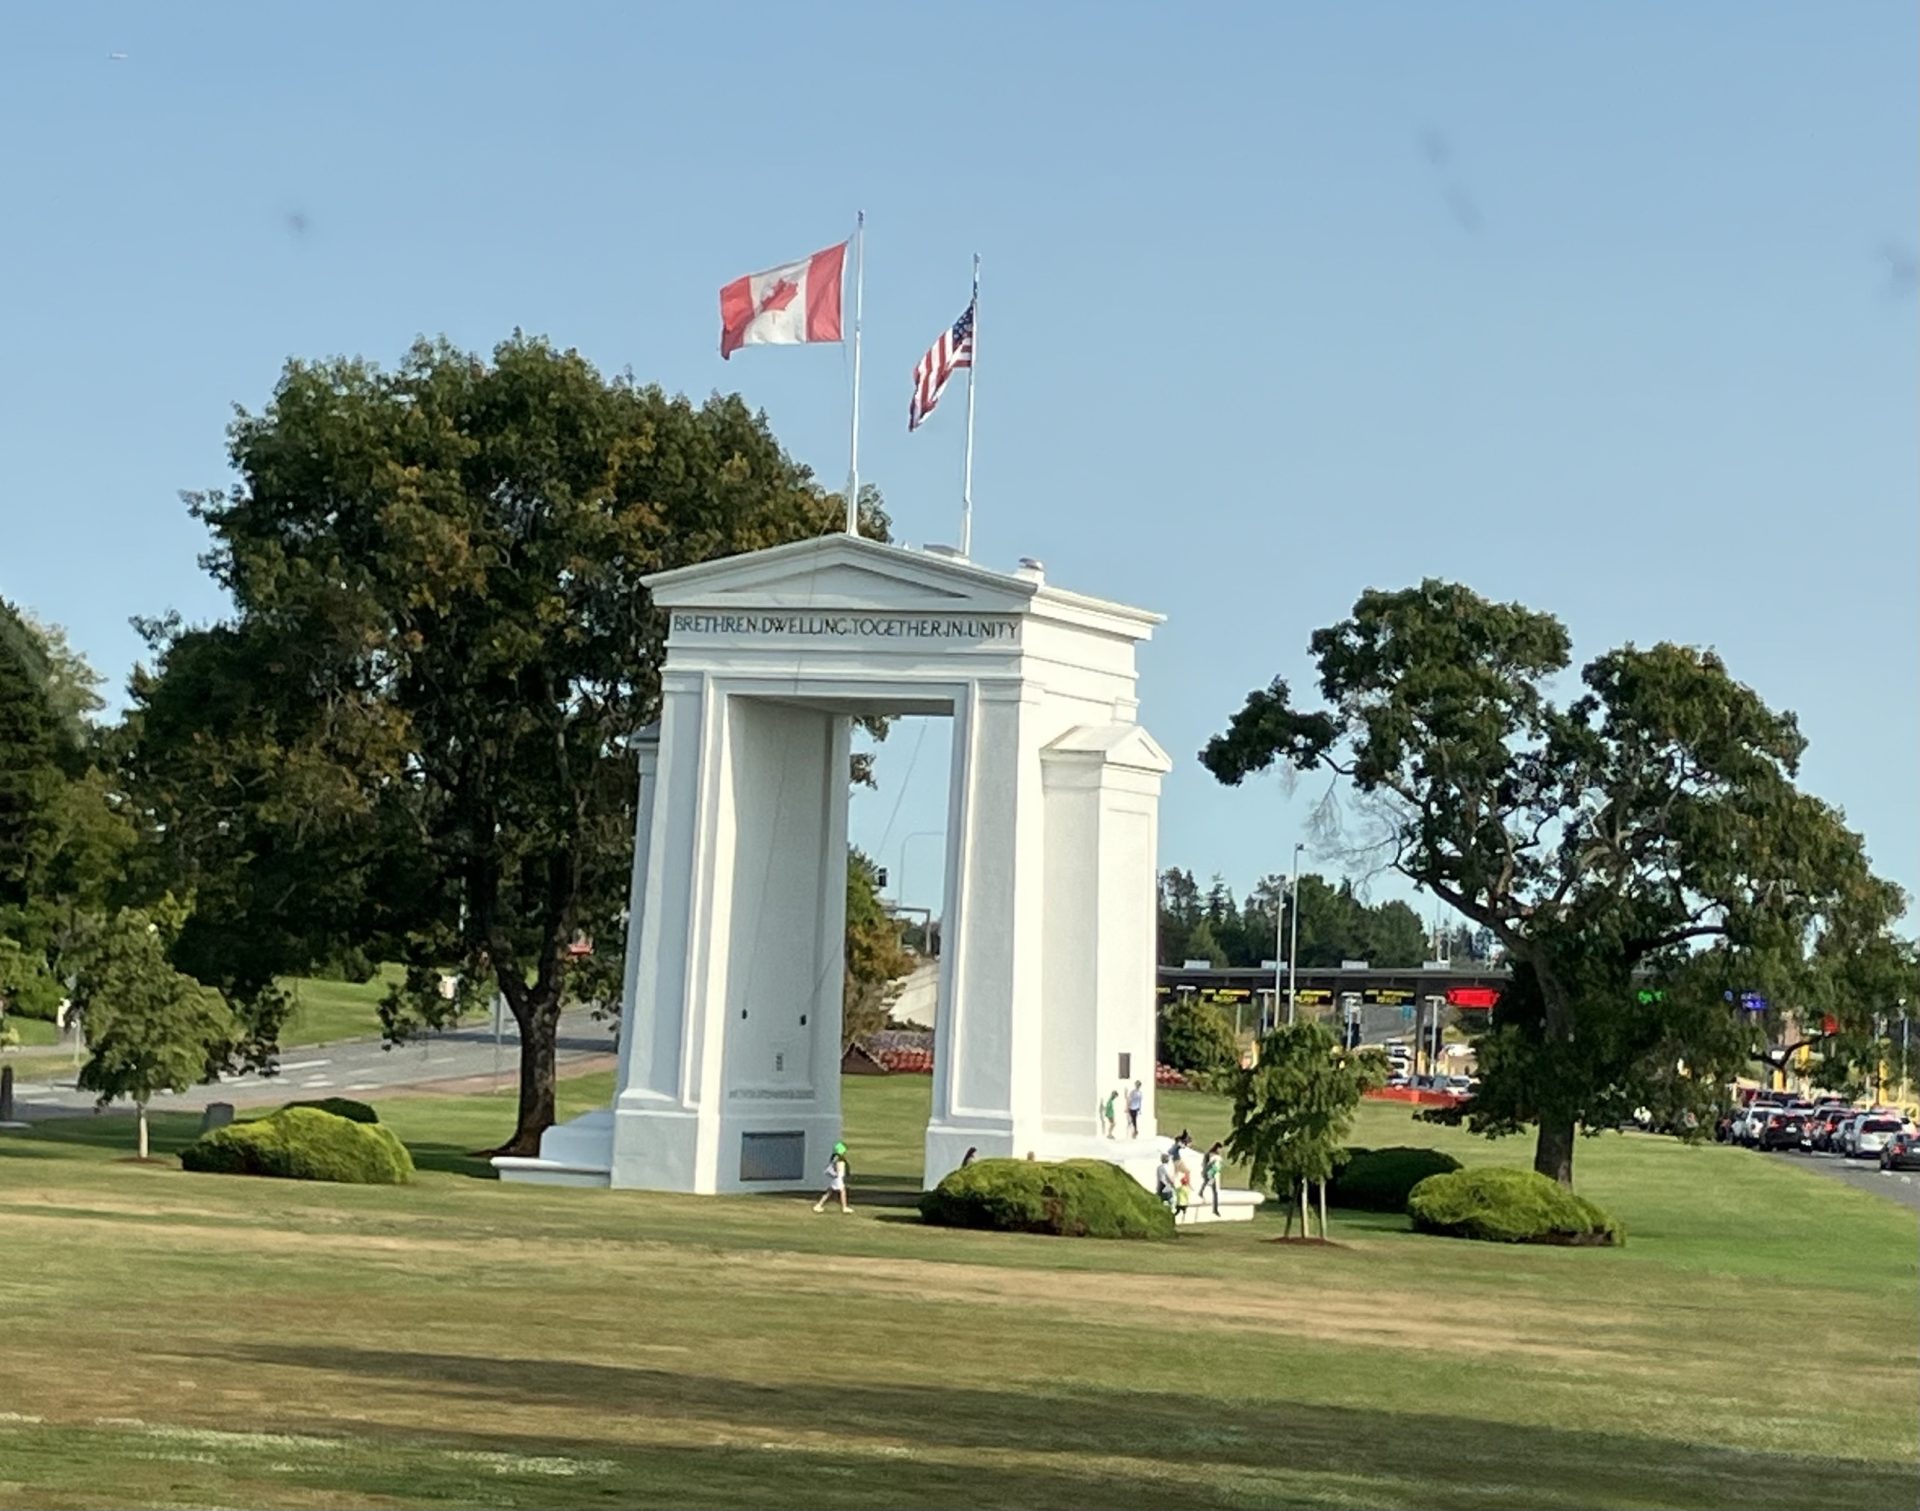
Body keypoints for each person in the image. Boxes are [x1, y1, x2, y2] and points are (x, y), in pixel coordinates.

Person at [812, 1140, 851, 1214]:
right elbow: (839, 1169)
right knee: (842, 1191)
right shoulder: (838, 1159)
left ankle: (819, 1205)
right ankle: (844, 1207)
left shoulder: (835, 1158)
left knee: (829, 1192)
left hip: (836, 1178)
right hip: (838, 1178)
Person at [1200, 1142, 1224, 1217]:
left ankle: (1201, 1192)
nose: (1220, 1151)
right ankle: (1215, 1209)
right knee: (1215, 1192)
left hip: (1210, 1173)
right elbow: (1209, 1164)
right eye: (1220, 1149)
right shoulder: (1212, 1155)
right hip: (1209, 1173)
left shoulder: (1210, 1154)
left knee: (1212, 1189)